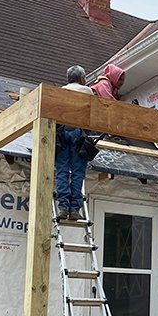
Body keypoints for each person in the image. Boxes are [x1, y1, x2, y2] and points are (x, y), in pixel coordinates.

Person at [55, 66, 98, 220]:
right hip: (79, 134)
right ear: (81, 78)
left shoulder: (61, 90)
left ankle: (63, 207)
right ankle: (74, 209)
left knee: (62, 171)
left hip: (62, 133)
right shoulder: (87, 91)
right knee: (78, 172)